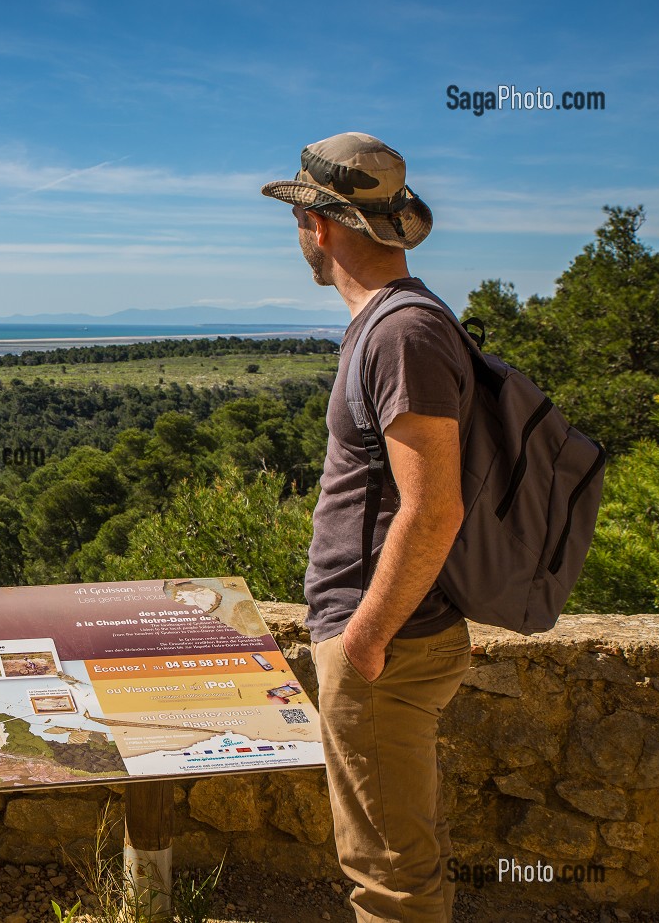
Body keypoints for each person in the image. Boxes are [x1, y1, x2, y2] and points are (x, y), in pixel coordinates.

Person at [261, 132, 474, 923]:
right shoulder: (393, 324)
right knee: (392, 853)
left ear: (321, 226)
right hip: (389, 636)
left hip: (386, 644)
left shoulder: (400, 333)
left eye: (302, 220)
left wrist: (365, 637)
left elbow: (433, 506)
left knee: (388, 875)